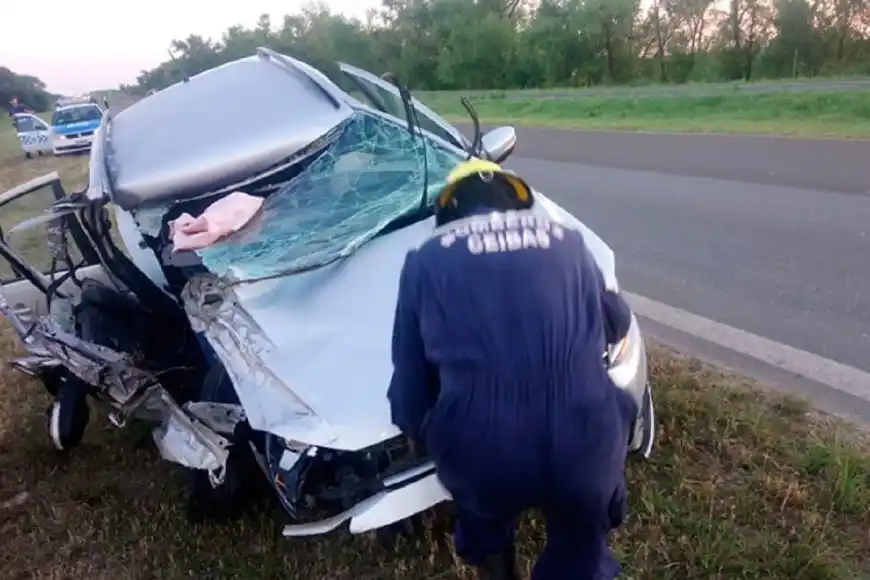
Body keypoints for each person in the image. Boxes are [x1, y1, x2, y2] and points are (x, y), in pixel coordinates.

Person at [387, 159, 638, 580]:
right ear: (517, 200)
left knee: (485, 518)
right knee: (581, 544)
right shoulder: (569, 243)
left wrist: (423, 434)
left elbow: (410, 385)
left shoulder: (424, 262)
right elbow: (617, 323)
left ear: (450, 209)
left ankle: (494, 560)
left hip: (484, 451)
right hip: (585, 439)